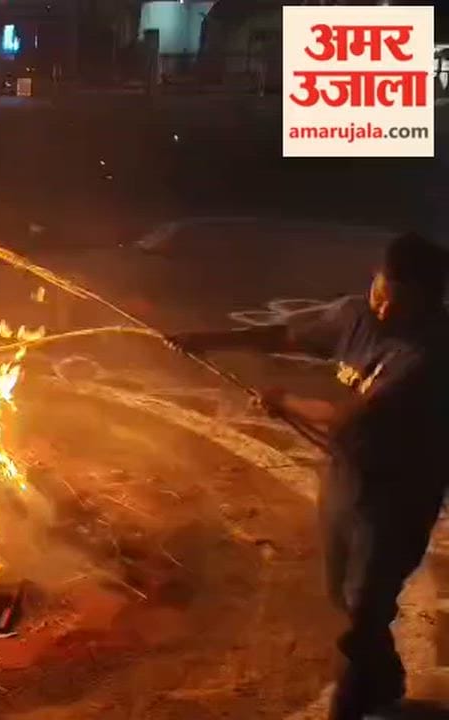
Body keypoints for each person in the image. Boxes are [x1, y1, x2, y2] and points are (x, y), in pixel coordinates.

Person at [171, 233, 449, 720]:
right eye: (380, 294)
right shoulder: (354, 315)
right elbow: (282, 335)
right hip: (345, 477)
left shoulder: (430, 356)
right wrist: (206, 340)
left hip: (399, 497)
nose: (382, 311)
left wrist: (285, 402)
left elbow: (353, 417)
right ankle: (384, 677)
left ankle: (352, 704)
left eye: (398, 305)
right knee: (340, 594)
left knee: (365, 606)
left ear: (430, 301)